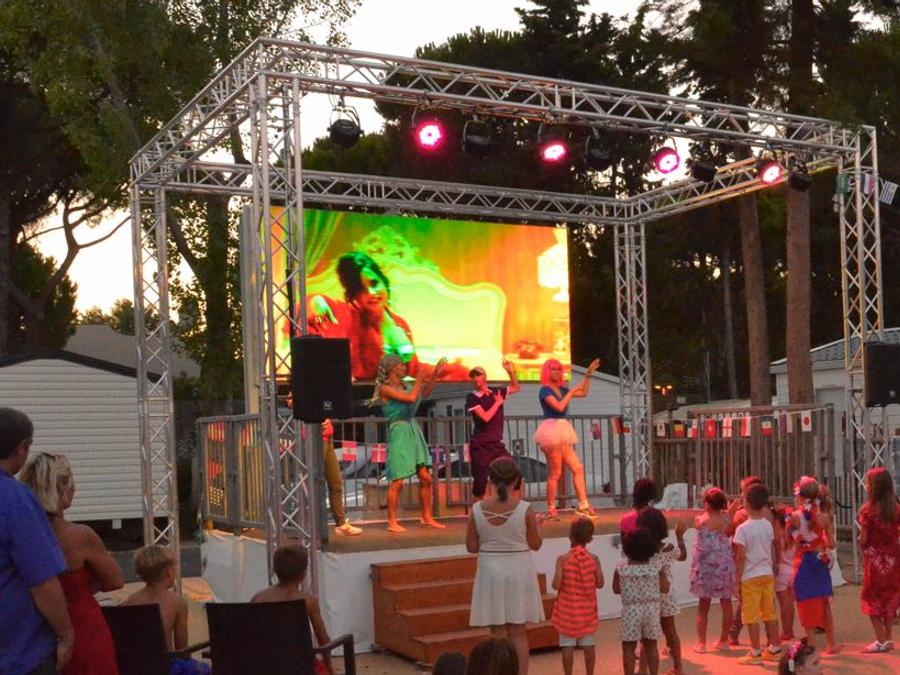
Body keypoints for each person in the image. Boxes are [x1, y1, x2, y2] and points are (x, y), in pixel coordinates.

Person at [20, 452, 123, 675]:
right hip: (81, 627)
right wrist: (83, 586)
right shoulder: (80, 536)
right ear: (61, 489)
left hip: (33, 630)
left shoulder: (22, 534)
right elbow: (115, 581)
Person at [308, 251, 466, 381]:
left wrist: (449, 371)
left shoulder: (400, 323)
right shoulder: (349, 316)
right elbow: (315, 306)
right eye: (361, 289)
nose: (372, 293)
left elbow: (412, 368)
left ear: (383, 281)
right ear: (354, 295)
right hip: (361, 397)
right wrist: (316, 303)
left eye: (374, 283)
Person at [0, 407, 75, 675]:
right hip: (18, 651)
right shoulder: (15, 500)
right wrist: (66, 634)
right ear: (21, 447)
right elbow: (42, 580)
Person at [467, 457, 544, 675]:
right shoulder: (525, 509)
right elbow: (535, 544)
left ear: (489, 480)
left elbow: (471, 546)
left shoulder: (477, 509)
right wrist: (538, 526)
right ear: (516, 481)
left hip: (490, 571)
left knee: (497, 634)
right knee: (518, 633)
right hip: (518, 569)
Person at [372, 353, 446, 533]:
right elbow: (411, 399)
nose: (404, 368)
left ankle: (426, 517)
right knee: (398, 481)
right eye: (400, 365)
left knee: (426, 477)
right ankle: (392, 521)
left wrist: (434, 375)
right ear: (391, 368)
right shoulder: (385, 389)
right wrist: (419, 378)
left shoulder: (407, 386)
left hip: (413, 429)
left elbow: (424, 393)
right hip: (399, 431)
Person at [124, 546, 210, 675]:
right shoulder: (177, 602)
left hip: (135, 667)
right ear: (169, 572)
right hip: (166, 666)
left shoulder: (130, 601)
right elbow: (182, 648)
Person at [533, 357, 601, 518]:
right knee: (555, 473)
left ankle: (583, 505)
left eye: (558, 369)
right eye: (553, 369)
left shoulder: (562, 390)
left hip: (562, 430)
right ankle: (551, 508)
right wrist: (570, 392)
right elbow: (559, 407)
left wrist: (588, 376)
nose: (556, 372)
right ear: (547, 372)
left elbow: (583, 393)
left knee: (578, 468)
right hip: (551, 430)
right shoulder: (545, 391)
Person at [251, 544, 333, 674]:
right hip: (301, 667)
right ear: (303, 574)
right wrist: (329, 666)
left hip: (266, 666)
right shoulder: (308, 601)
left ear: (275, 571)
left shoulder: (259, 599)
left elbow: (252, 636)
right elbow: (323, 640)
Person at [733, 482, 782, 665]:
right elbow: (771, 548)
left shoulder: (742, 529)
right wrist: (773, 565)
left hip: (750, 576)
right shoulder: (767, 525)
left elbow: (741, 557)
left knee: (751, 615)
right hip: (766, 573)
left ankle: (755, 651)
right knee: (769, 612)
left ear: (746, 502)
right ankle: (774, 647)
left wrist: (736, 580)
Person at [789, 476, 837, 654]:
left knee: (805, 603)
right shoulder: (824, 517)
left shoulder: (794, 517)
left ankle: (812, 646)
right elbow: (831, 544)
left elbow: (790, 542)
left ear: (800, 496)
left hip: (803, 563)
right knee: (824, 603)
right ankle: (831, 643)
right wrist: (820, 539)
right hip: (819, 561)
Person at [637, 506, 687, 674]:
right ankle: (678, 666)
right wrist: (679, 536)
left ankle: (642, 669)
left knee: (647, 637)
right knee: (671, 632)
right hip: (666, 594)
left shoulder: (641, 550)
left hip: (647, 595)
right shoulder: (668, 548)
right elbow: (683, 556)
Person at [551, 517, 604, 675]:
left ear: (570, 536)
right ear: (590, 539)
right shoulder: (594, 559)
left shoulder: (563, 560)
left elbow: (556, 585)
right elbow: (600, 583)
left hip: (567, 612)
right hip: (587, 611)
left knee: (567, 646)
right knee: (589, 645)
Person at [726, 475, 774, 646]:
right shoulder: (768, 515)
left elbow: (728, 532)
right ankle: (772, 641)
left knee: (748, 606)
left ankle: (738, 636)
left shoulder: (742, 516)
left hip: (748, 568)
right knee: (768, 608)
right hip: (765, 567)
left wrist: (730, 514)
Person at [613, 527, 667, 675]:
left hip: (631, 610)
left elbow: (616, 589)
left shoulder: (621, 568)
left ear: (627, 547)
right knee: (651, 646)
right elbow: (665, 588)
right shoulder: (657, 567)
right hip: (652, 610)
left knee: (628, 648)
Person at [857, 467, 900, 653]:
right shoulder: (895, 509)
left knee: (871, 598)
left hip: (875, 561)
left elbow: (864, 539)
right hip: (893, 559)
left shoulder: (868, 511)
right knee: (889, 598)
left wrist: (861, 542)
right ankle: (888, 638)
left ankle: (880, 639)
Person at [689, 486, 735, 653]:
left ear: (707, 504)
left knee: (703, 605)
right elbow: (729, 530)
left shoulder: (700, 520)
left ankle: (701, 643)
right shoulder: (726, 519)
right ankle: (724, 639)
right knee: (726, 602)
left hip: (705, 567)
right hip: (724, 566)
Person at [466, 360, 520, 502]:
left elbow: (516, 387)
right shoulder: (472, 397)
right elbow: (485, 417)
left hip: (495, 444)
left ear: (485, 376)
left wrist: (510, 371)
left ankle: (514, 508)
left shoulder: (496, 391)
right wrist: (497, 403)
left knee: (514, 473)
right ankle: (477, 512)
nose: (476, 378)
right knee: (480, 482)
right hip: (480, 445)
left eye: (478, 375)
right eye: (473, 376)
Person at [321, 420, 362, 536]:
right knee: (313, 482)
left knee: (336, 483)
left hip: (327, 439)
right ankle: (307, 526)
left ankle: (341, 524)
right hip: (315, 440)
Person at [773, 503, 797, 642]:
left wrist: (775, 562)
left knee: (783, 603)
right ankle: (790, 629)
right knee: (790, 603)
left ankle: (785, 630)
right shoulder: (794, 535)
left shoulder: (779, 537)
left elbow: (776, 546)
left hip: (781, 571)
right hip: (793, 570)